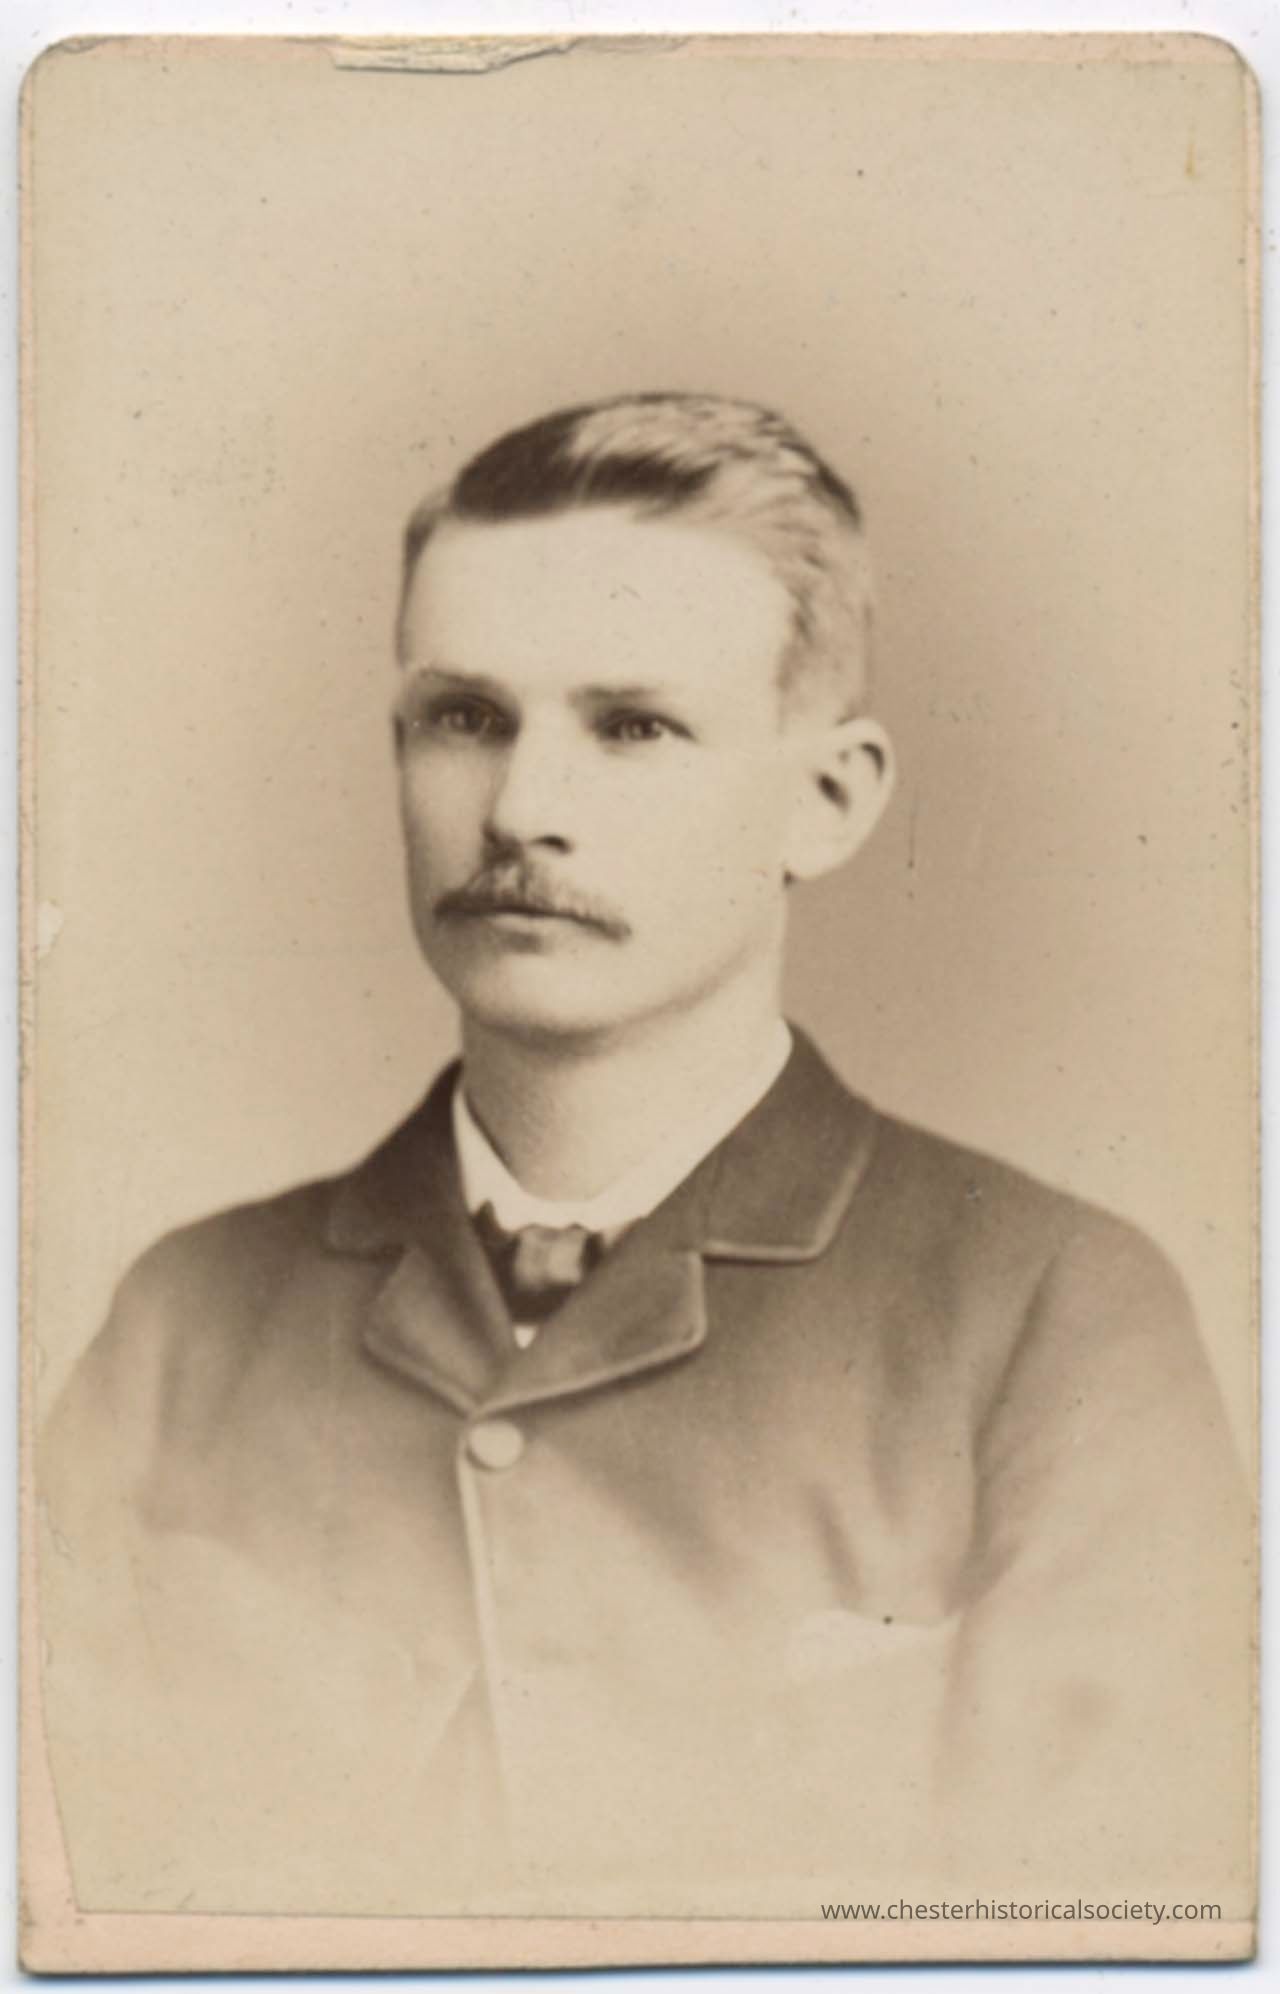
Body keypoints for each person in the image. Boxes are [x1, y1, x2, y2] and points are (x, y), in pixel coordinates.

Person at [39, 393, 1250, 1920]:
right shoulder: (183, 1325)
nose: (520, 810)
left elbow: (1116, 1932)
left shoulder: (1054, 1319)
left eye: (632, 726)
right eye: (465, 717)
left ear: (828, 799)